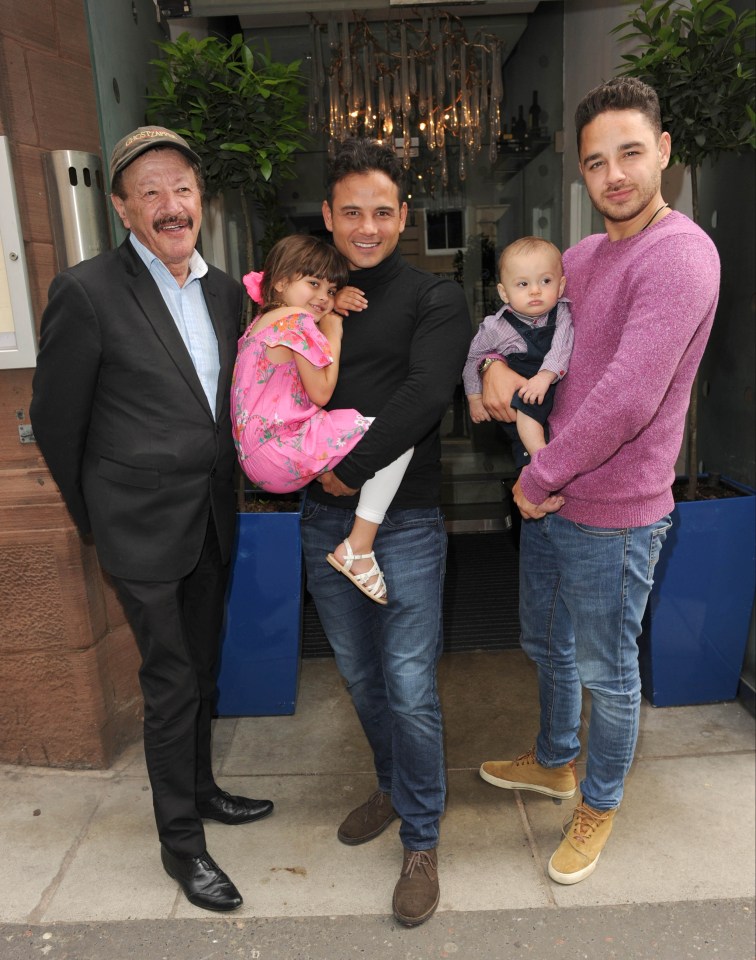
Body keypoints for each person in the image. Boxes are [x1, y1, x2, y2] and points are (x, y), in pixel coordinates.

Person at [478, 77, 720, 885]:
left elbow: (627, 397)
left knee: (606, 671)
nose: (613, 174)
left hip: (614, 510)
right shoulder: (578, 258)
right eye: (595, 162)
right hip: (553, 498)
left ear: (663, 153)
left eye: (628, 153)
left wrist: (539, 473)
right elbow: (519, 327)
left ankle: (601, 800)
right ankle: (555, 762)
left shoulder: (681, 253)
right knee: (547, 644)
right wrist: (487, 376)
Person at [30, 126, 273, 913]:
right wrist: (94, 515)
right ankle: (182, 846)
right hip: (136, 526)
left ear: (201, 200)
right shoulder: (87, 289)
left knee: (201, 670)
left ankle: (201, 790)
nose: (172, 207)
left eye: (184, 190)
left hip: (210, 517)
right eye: (152, 193)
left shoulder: (226, 290)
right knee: (170, 682)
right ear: (123, 209)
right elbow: (57, 419)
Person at [299, 137, 470, 926]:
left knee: (407, 683)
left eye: (381, 212)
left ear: (403, 217)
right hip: (319, 517)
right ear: (328, 216)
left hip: (403, 522)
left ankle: (424, 838)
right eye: (351, 212)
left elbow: (427, 392)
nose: (366, 227)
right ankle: (393, 788)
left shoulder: (436, 297)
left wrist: (349, 466)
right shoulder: (309, 294)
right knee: (362, 678)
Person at [232, 234, 414, 605]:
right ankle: (359, 548)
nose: (323, 297)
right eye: (313, 283)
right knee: (397, 435)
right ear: (281, 281)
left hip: (255, 458)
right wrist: (334, 333)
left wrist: (324, 305)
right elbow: (322, 392)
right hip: (283, 450)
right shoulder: (297, 321)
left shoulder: (260, 322)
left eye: (331, 290)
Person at [463, 236, 573, 468]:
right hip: (521, 400)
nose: (535, 291)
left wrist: (545, 376)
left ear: (560, 286)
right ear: (504, 293)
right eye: (523, 284)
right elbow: (473, 358)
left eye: (545, 281)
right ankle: (544, 464)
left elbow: (562, 347)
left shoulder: (562, 313)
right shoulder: (496, 326)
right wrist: (474, 398)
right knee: (526, 416)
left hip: (552, 390)